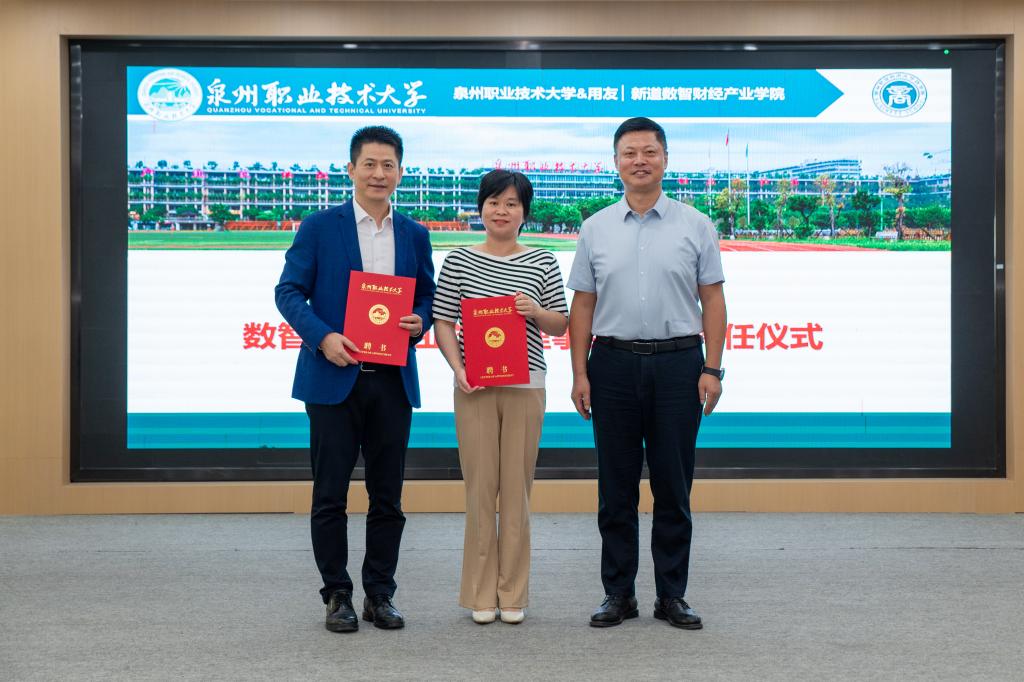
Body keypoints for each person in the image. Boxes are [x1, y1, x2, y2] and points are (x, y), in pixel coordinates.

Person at [566, 117, 727, 630]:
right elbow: (583, 305)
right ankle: (618, 593)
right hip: (611, 365)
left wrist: (713, 367)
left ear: (665, 159)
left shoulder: (695, 224)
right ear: (615, 162)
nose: (640, 160)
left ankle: (672, 595)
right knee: (615, 488)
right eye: (630, 153)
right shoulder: (595, 228)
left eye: (649, 152)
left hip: (680, 365)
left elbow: (712, 300)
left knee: (673, 487)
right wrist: (580, 373)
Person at [275, 126, 435, 633]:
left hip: (391, 381)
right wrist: (323, 337)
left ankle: (380, 594)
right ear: (351, 169)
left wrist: (421, 320)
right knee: (330, 495)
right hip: (333, 378)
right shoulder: (320, 227)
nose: (378, 174)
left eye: (388, 165)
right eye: (369, 164)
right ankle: (337, 594)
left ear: (401, 172)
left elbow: (427, 296)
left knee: (388, 496)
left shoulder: (414, 233)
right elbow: (288, 292)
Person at [432, 170, 569, 625]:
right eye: (494, 202)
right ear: (481, 208)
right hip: (474, 387)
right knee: (479, 490)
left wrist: (535, 310)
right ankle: (480, 594)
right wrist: (458, 369)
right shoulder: (458, 260)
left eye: (511, 203)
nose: (502, 211)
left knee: (516, 491)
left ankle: (512, 593)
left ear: (524, 212)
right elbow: (444, 322)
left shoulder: (542, 261)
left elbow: (561, 323)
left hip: (526, 385)